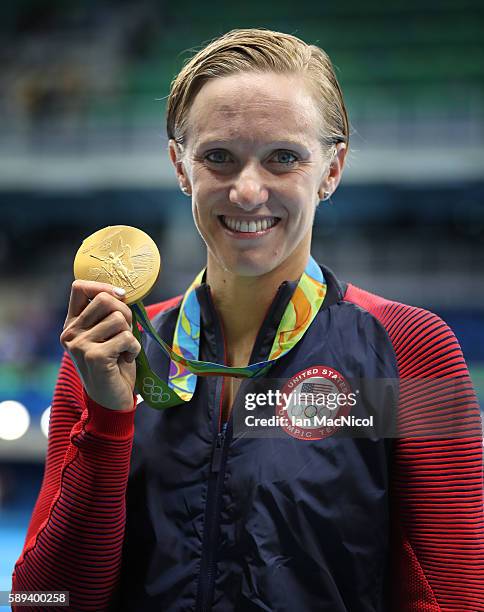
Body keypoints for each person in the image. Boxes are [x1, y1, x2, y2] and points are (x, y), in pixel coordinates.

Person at [12, 28, 484, 611]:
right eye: (218, 158)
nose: (247, 190)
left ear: (331, 170)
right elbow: (44, 598)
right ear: (180, 167)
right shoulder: (107, 353)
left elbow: (455, 595)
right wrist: (108, 421)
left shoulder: (409, 350)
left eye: (283, 157)